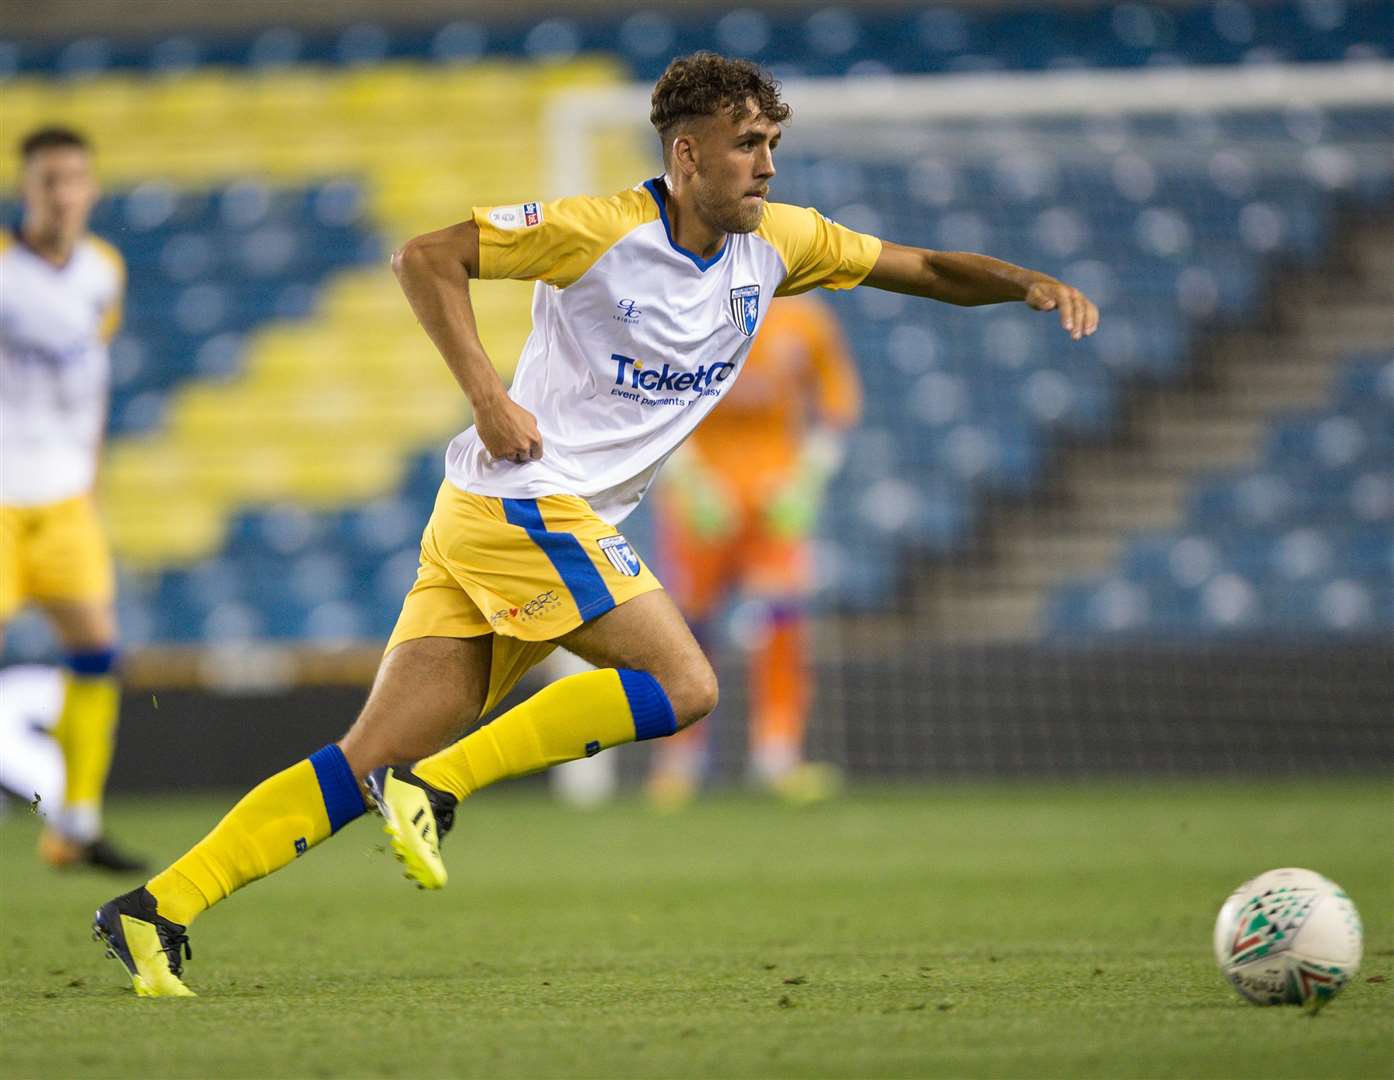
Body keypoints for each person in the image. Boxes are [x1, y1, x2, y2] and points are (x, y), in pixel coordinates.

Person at [93, 52, 1098, 997]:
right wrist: (488, 395)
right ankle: (437, 788)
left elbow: (919, 267)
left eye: (772, 146)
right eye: (746, 143)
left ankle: (157, 907)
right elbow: (424, 257)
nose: (765, 165)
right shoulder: (596, 228)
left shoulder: (779, 243)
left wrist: (1022, 284)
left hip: (492, 518)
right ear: (686, 151)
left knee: (360, 762)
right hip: (526, 503)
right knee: (687, 683)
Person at [647, 293, 861, 806]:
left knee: (783, 619)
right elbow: (647, 403)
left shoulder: (806, 319)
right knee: (686, 629)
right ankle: (680, 761)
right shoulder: (682, 308)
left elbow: (837, 407)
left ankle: (778, 756)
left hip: (775, 499)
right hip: (701, 500)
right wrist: (690, 478)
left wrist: (806, 481)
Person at [1, 126, 145, 873]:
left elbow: (91, 382)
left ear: (91, 188)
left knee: (96, 652)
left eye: (75, 179)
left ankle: (76, 826)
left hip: (64, 501)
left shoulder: (103, 270)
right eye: (48, 181)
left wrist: (88, 478)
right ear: (25, 191)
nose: (62, 194)